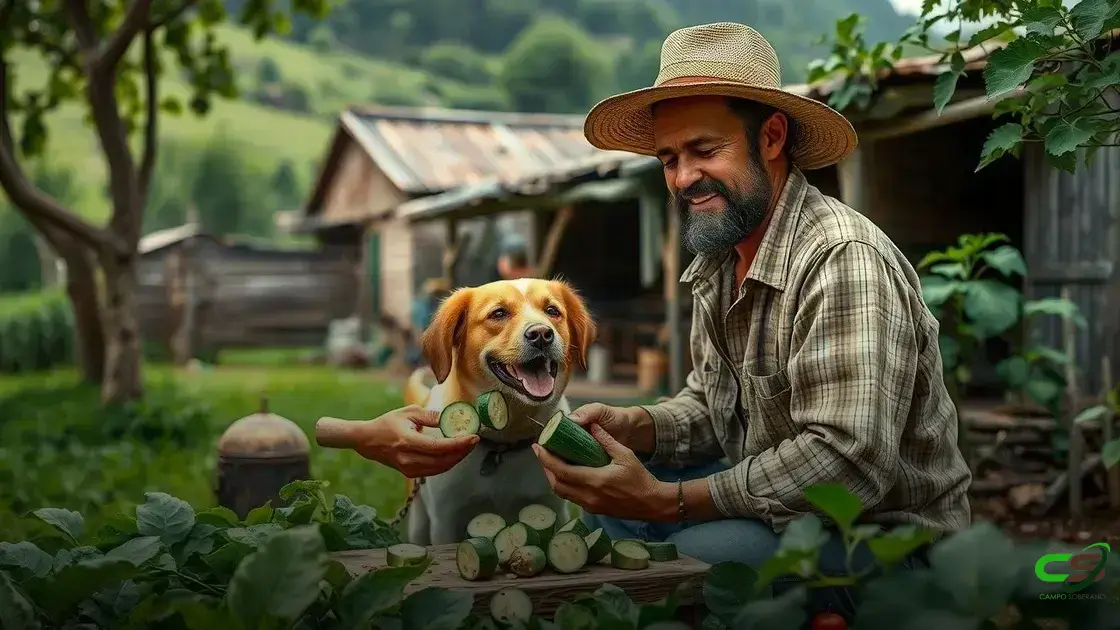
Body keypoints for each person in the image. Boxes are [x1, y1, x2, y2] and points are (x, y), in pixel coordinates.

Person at [526, 21, 973, 616]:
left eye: (705, 151)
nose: (684, 179)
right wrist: (639, 425)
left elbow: (845, 463)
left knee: (697, 559)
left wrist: (671, 501)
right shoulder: (720, 256)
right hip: (788, 516)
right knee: (606, 503)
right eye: (669, 158)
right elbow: (715, 407)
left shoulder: (841, 261)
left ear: (771, 138)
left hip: (887, 542)